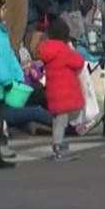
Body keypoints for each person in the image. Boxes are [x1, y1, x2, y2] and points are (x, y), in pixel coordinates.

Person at [37, 17, 86, 162]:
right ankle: (58, 147)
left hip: (53, 94)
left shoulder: (46, 49)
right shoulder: (63, 50)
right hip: (65, 95)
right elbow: (79, 62)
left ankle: (60, 143)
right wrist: (71, 48)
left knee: (57, 121)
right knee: (63, 121)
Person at [0, 0, 22, 168]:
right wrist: (7, 78)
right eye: (3, 8)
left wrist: (18, 75)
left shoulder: (2, 32)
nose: (5, 12)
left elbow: (9, 57)